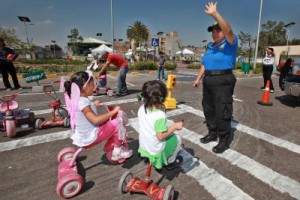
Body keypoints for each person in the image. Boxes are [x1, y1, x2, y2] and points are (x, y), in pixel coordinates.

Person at [192, 2, 238, 154]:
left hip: (223, 80)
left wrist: (214, 14)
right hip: (209, 80)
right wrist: (198, 78)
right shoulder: (211, 47)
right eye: (213, 31)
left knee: (222, 109)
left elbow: (229, 29)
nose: (215, 33)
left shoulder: (230, 42)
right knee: (209, 108)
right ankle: (213, 132)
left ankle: (224, 139)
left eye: (218, 30)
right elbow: (205, 65)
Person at [64, 71, 133, 161]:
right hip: (91, 136)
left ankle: (114, 147)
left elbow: (83, 110)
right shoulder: (83, 102)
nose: (95, 86)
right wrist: (114, 111)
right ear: (85, 86)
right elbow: (96, 120)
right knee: (118, 123)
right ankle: (117, 151)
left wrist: (92, 104)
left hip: (83, 135)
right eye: (92, 84)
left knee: (110, 124)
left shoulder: (77, 99)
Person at [138, 80, 184, 170]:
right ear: (162, 99)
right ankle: (171, 161)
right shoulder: (160, 115)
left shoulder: (141, 108)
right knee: (178, 138)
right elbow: (160, 137)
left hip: (144, 146)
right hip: (155, 149)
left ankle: (150, 157)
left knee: (167, 131)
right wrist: (174, 127)